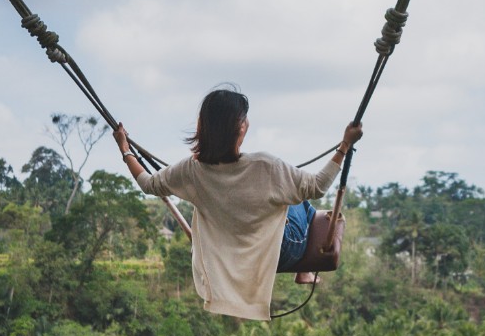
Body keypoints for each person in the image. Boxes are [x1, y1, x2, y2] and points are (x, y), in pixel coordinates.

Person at [114, 87, 362, 322]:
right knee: (298, 201)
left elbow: (148, 184)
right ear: (240, 128)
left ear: (203, 127)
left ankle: (302, 269)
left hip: (225, 259)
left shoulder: (191, 171)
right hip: (281, 253)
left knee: (288, 195)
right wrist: (344, 145)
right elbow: (318, 186)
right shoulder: (266, 166)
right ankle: (303, 271)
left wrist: (125, 150)